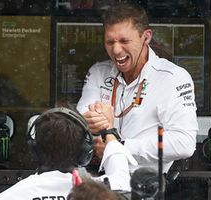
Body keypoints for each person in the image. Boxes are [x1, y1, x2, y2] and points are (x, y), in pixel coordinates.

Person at [76, 2, 198, 173]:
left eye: (124, 41)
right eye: (110, 42)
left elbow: (184, 143)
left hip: (146, 186)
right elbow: (81, 119)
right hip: (100, 181)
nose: (116, 50)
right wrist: (92, 121)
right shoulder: (98, 72)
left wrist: (120, 147)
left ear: (146, 37)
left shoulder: (173, 77)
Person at [0, 107, 137, 200]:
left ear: (34, 150)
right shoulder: (104, 192)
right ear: (85, 152)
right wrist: (108, 130)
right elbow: (119, 166)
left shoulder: (9, 197)